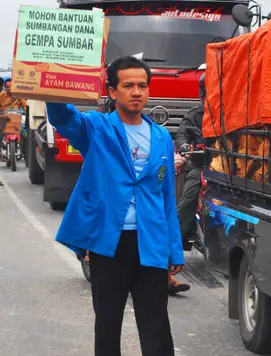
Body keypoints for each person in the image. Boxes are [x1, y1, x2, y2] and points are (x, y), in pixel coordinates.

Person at [45, 56, 184, 356]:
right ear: (112, 91)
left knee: (157, 326)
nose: (137, 92)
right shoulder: (96, 128)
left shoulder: (161, 137)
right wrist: (53, 84)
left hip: (151, 243)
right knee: (107, 325)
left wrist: (174, 248)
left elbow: (167, 197)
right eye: (128, 85)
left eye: (142, 86)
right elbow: (62, 118)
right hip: (109, 244)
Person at [168, 73, 207, 294]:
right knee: (188, 201)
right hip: (201, 166)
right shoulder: (194, 115)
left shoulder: (232, 112)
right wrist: (184, 147)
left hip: (228, 168)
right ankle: (170, 255)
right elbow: (182, 136)